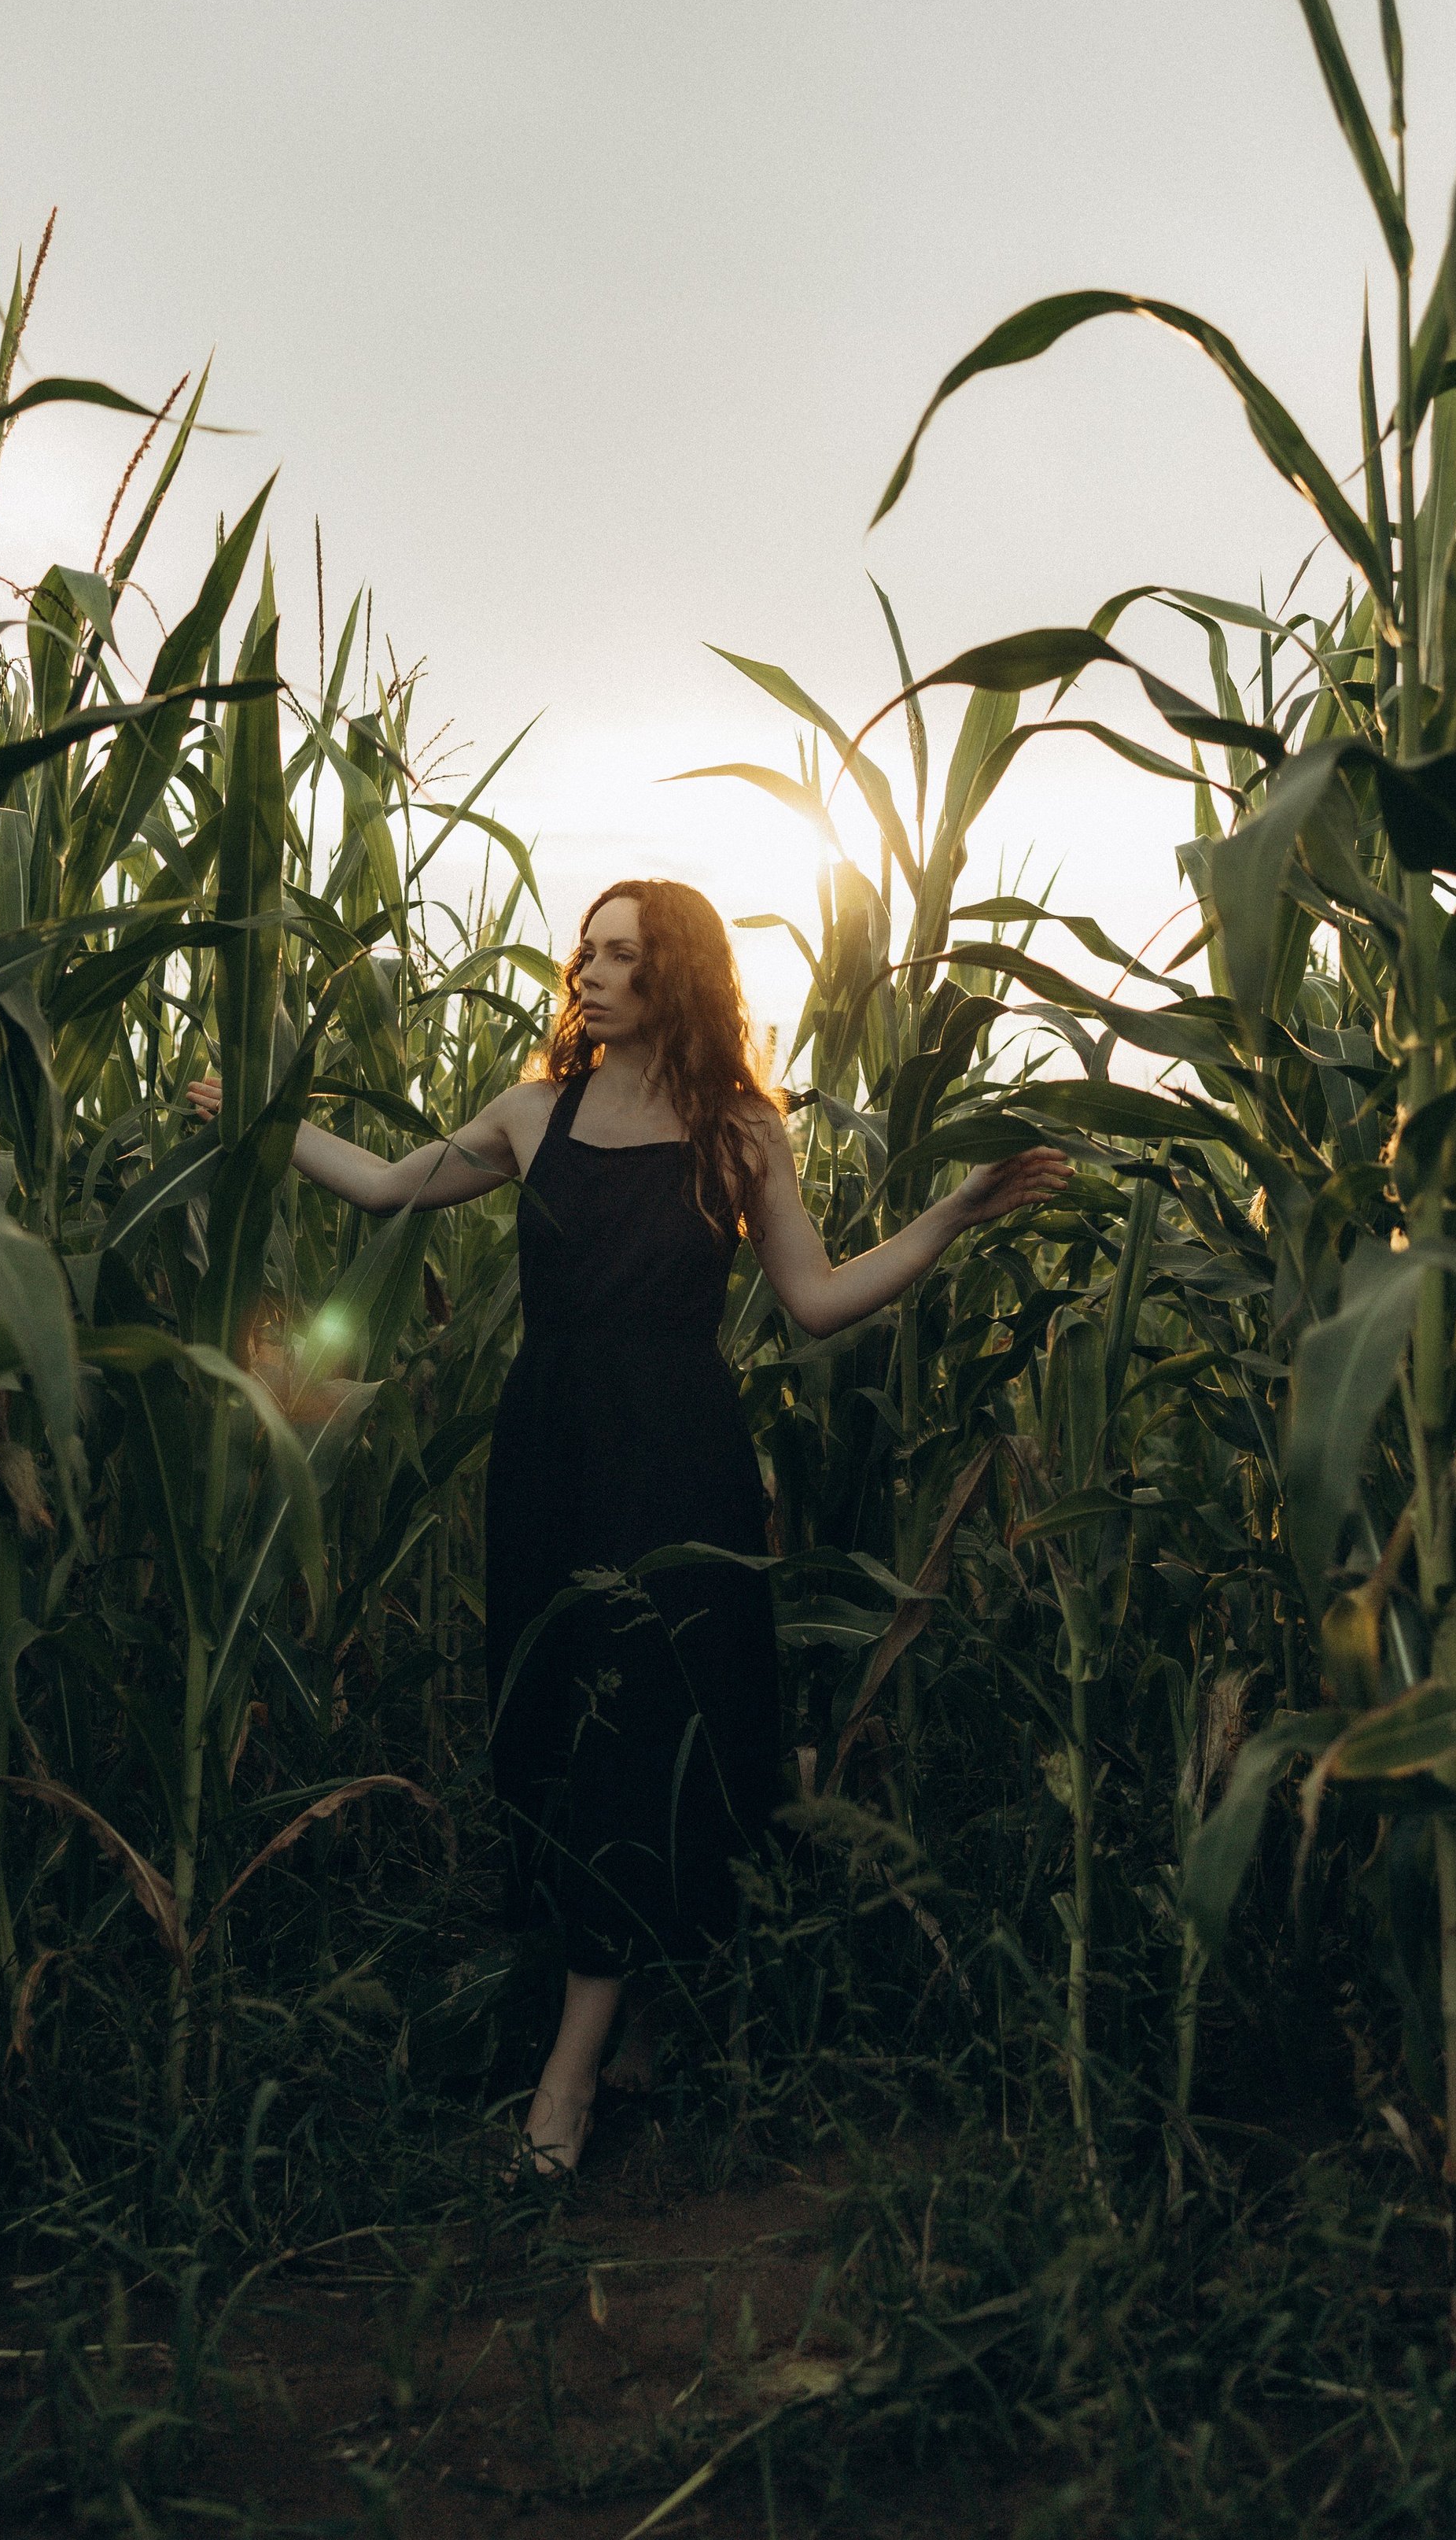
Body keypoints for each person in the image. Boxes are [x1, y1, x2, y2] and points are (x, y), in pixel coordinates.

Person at [190, 877, 1068, 2175]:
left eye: (621, 957)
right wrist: (265, 1130)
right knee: (556, 1722)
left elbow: (817, 1301)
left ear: (679, 980)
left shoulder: (740, 1132)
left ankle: (565, 2086)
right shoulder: (532, 1113)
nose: (589, 974)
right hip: (548, 1450)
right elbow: (383, 1187)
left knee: (647, 1725)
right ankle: (635, 2028)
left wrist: (948, 1217)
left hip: (678, 1461)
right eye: (584, 954)